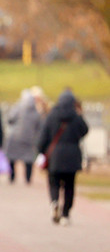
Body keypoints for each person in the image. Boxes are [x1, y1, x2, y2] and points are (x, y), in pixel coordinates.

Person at [36, 90, 89, 226]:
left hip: (55, 156)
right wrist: (79, 114)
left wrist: (41, 151)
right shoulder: (76, 116)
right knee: (69, 186)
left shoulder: (52, 115)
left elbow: (43, 136)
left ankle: (54, 202)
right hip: (72, 157)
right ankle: (65, 214)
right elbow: (85, 130)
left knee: (53, 182)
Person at [5, 89, 42, 184]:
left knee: (12, 158)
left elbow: (10, 119)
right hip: (29, 139)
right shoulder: (36, 113)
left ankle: (12, 176)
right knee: (28, 160)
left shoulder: (17, 108)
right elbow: (39, 127)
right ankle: (28, 179)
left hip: (15, 137)